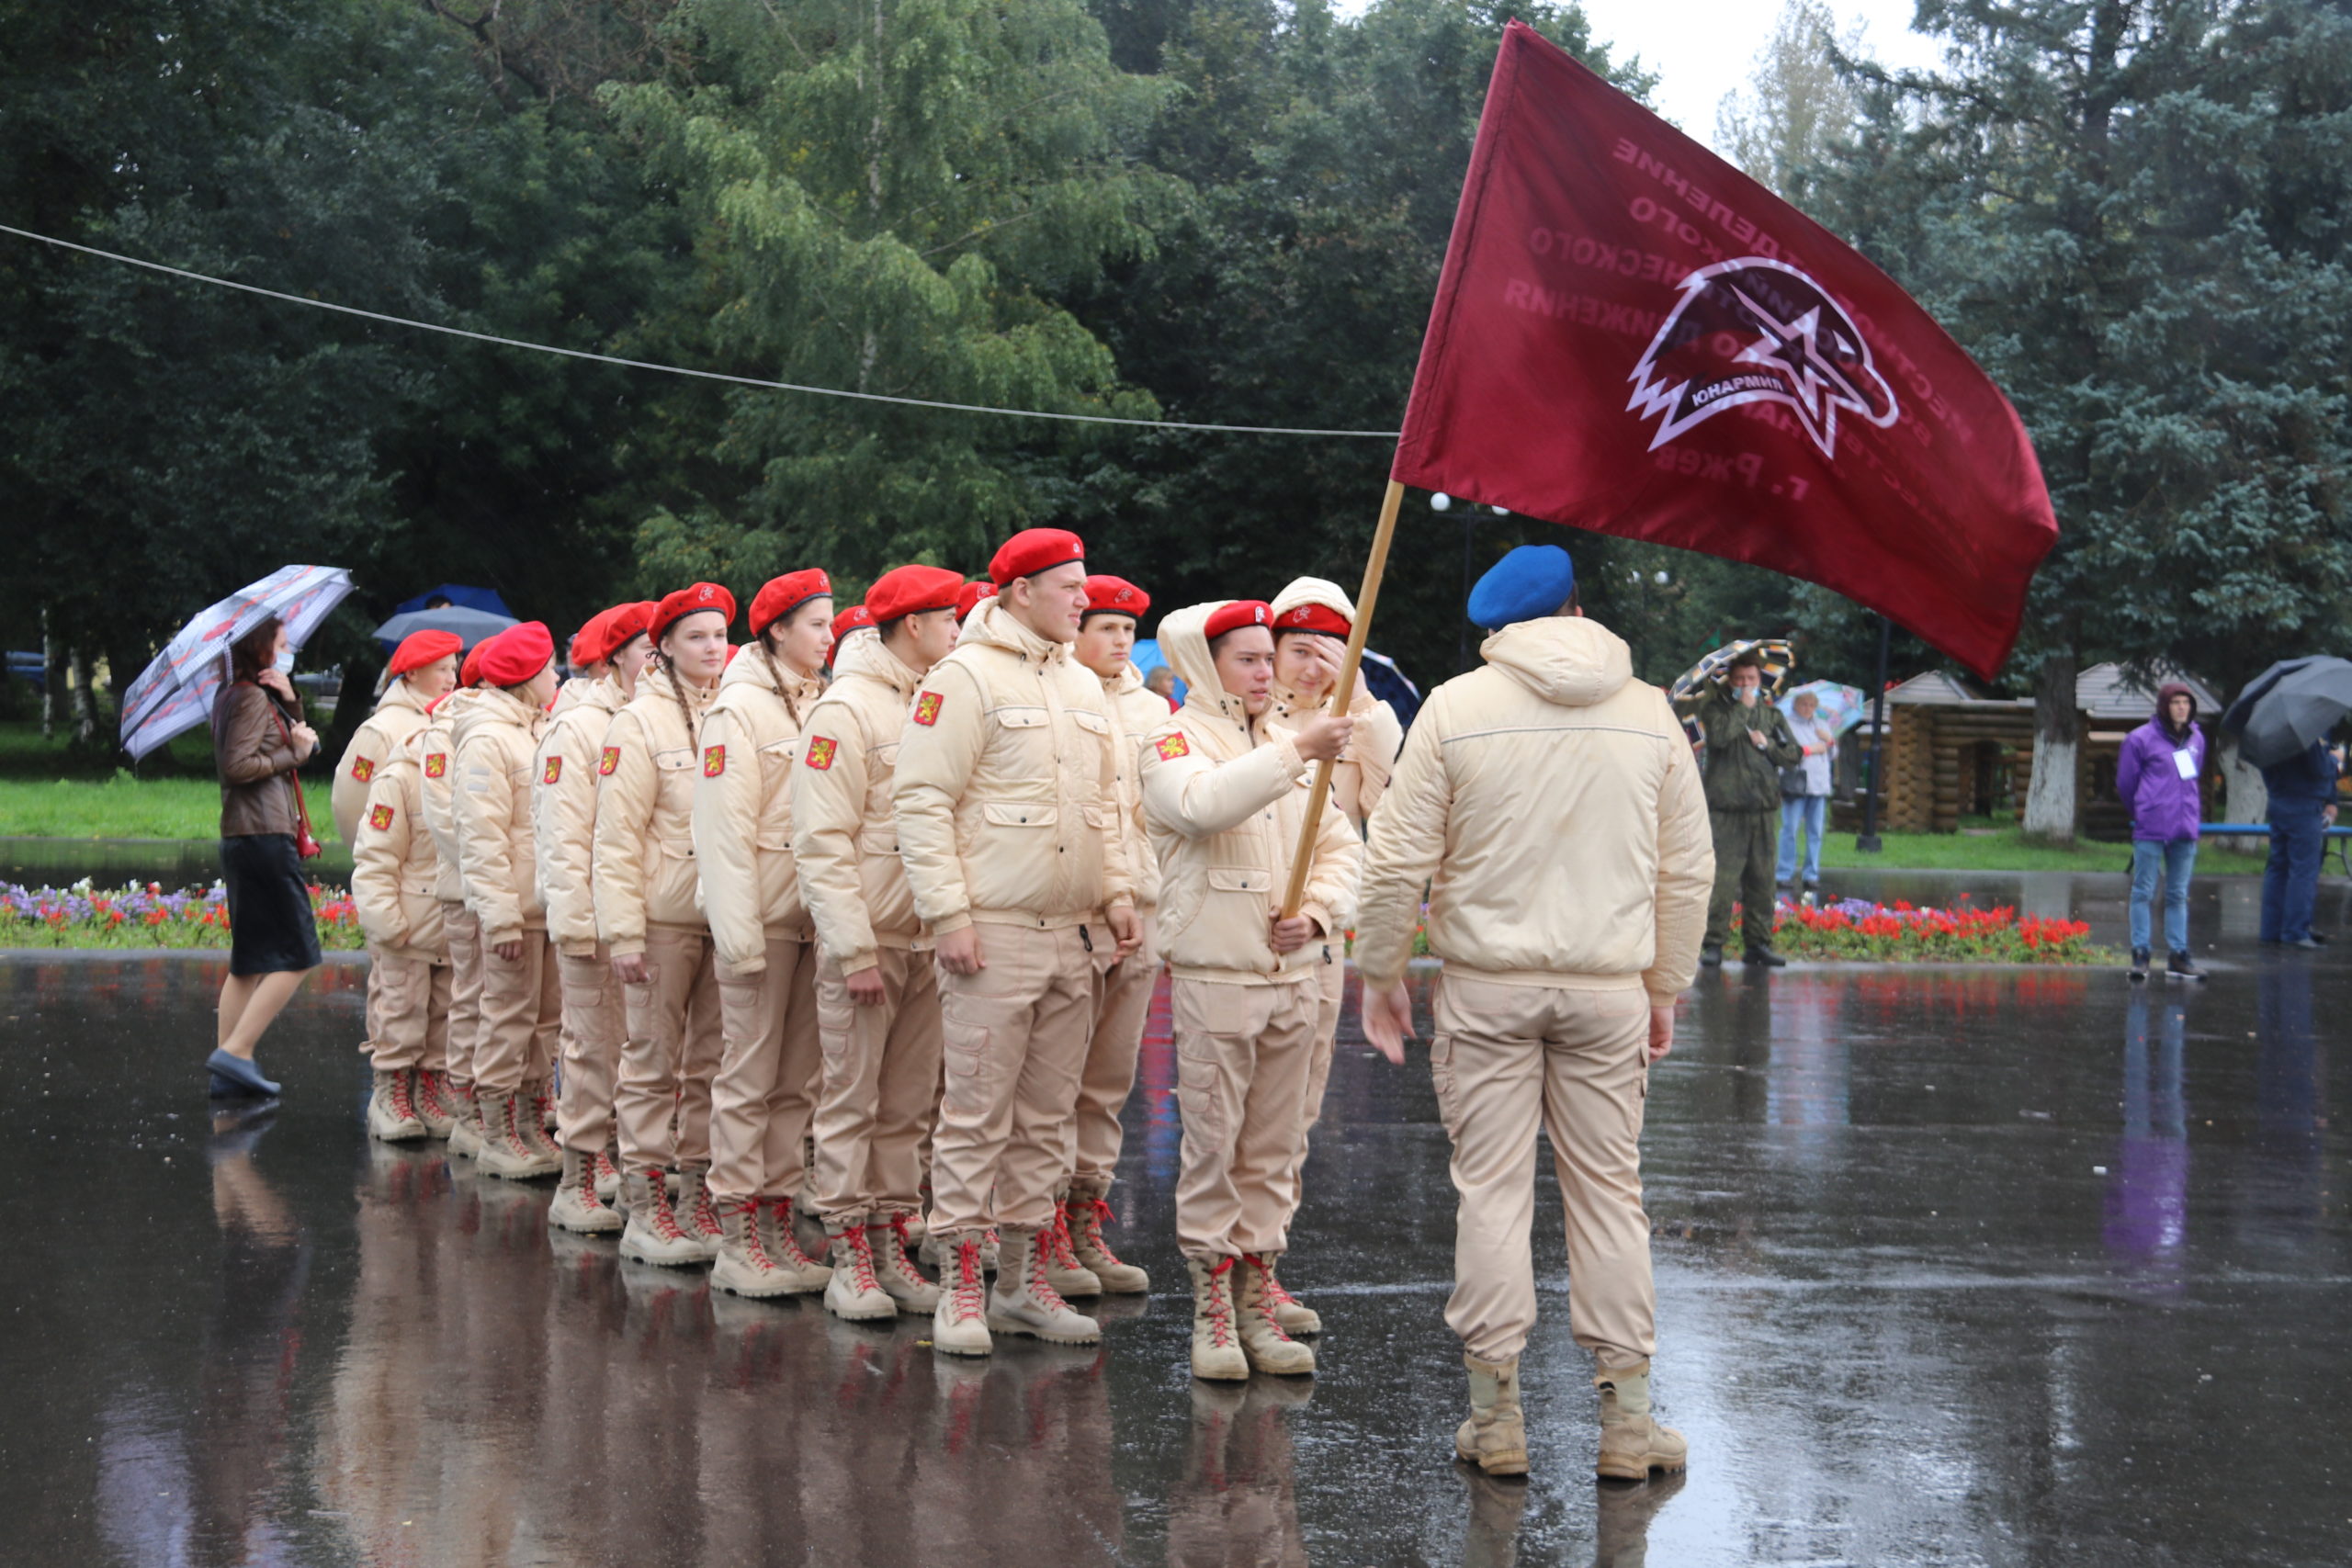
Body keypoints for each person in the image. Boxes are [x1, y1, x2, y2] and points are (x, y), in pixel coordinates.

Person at [1355, 543, 1709, 1481]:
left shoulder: (1454, 707)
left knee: (1492, 1193)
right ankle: (1628, 1423)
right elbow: (1687, 869)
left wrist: (1381, 970)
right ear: (1579, 609)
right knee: (1610, 1196)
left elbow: (1395, 858)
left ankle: (1496, 1417)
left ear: (1497, 630)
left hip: (1487, 986)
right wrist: (1663, 986)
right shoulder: (1650, 713)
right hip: (1606, 988)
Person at [893, 527, 1140, 1357]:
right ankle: (962, 1283)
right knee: (974, 1115)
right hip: (994, 932)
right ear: (1020, 591)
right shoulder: (963, 676)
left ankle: (1022, 1283)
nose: (1084, 598)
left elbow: (1106, 805)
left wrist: (1118, 893)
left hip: (1074, 934)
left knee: (1047, 1119)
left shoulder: (1082, 682)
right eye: (1070, 585)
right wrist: (948, 915)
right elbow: (922, 799)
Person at [1139, 598, 1362, 1382]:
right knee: (1213, 1149)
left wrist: (1319, 913)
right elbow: (1200, 806)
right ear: (1207, 666)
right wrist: (1297, 750)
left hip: (1293, 977)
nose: (1267, 672)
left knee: (1272, 1149)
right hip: (1217, 976)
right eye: (1248, 658)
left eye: (1271, 657)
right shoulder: (1171, 737)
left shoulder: (1283, 740)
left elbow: (1342, 847)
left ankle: (1256, 1294)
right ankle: (1211, 1305)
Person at [793, 565, 963, 1322]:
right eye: (948, 618)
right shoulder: (845, 709)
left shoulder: (938, 701)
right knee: (850, 1099)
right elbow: (821, 841)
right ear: (912, 625)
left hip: (928, 940)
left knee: (908, 1106)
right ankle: (848, 1252)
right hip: (871, 940)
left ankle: (891, 1241)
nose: (958, 630)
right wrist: (853, 948)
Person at [1260, 575, 1405, 1334]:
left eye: (1329, 651)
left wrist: (1365, 708)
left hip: (1318, 937)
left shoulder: (1361, 725)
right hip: (1242, 931)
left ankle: (1264, 1260)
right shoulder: (1247, 715)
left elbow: (1387, 810)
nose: (1311, 665)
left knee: (1296, 1108)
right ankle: (1218, 1266)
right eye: (1297, 648)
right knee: (1231, 1110)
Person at [695, 570, 839, 1299]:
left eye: (832, 622)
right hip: (763, 923)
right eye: (817, 623)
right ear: (778, 630)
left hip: (815, 920)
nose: (830, 635)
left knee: (796, 1083)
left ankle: (777, 1221)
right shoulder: (739, 708)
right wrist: (739, 937)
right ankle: (736, 1233)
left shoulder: (822, 701)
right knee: (748, 1078)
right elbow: (722, 834)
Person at [596, 583, 736, 1264]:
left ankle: (696, 1196)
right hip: (663, 921)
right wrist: (624, 933)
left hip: (724, 918)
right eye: (697, 637)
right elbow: (616, 838)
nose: (713, 648)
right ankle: (647, 1203)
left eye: (720, 635)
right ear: (666, 647)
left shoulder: (732, 712)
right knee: (652, 1063)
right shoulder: (638, 723)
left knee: (711, 1066)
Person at [1059, 573, 1164, 1295]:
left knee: (1107, 1081)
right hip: (1076, 906)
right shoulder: (1059, 696)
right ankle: (1037, 1226)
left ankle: (1083, 1218)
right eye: (1107, 627)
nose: (1122, 640)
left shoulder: (1155, 709)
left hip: (1142, 908)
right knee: (1051, 1083)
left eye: (1129, 630)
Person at [536, 601, 656, 1233]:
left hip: (643, 916)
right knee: (591, 1049)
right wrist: (579, 924)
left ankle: (622, 1165)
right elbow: (562, 837)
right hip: (594, 920)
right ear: (615, 660)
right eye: (648, 652)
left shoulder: (655, 716)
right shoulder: (579, 727)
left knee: (641, 1053)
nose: (658, 662)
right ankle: (576, 1178)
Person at [453, 622, 565, 1180]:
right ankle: (495, 1133)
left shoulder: (536, 729)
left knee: (544, 1021)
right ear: (525, 678)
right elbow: (482, 837)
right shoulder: (488, 739)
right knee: (506, 1018)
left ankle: (528, 1123)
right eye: (548, 668)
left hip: (544, 907)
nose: (557, 677)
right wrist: (499, 919)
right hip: (514, 913)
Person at [206, 616, 322, 1097]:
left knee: (249, 961)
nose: (287, 650)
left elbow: (285, 735)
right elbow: (237, 766)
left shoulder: (233, 694)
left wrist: (291, 700)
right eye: (281, 643)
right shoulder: (250, 697)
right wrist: (294, 756)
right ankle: (236, 1053)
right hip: (264, 838)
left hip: (244, 836)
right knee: (300, 953)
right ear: (260, 647)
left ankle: (226, 1074)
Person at [350, 725, 453, 1141]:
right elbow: (375, 855)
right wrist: (387, 924)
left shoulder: (466, 768)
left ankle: (429, 1089)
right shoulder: (399, 779)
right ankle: (389, 1094)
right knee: (400, 1011)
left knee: (443, 1016)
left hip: (449, 927)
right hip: (407, 928)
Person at [1684, 650, 1800, 967]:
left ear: (1759, 680)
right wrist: (1742, 708)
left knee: (1762, 880)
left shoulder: (1772, 715)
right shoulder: (1716, 710)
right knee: (1722, 880)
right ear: (1730, 681)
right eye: (1740, 680)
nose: (1747, 685)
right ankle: (1713, 944)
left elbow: (1792, 755)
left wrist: (1767, 745)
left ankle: (1758, 943)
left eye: (1751, 679)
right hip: (1727, 809)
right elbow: (1719, 738)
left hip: (1762, 808)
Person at [416, 650, 487, 1151]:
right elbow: (445, 817)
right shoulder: (445, 733)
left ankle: (503, 1105)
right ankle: (466, 1103)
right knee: (473, 997)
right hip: (468, 888)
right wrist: (488, 873)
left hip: (510, 886)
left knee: (513, 1009)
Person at [2117, 682, 2207, 981]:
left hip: (2184, 826)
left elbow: (2192, 777)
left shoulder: (2196, 738)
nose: (2182, 707)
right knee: (2143, 890)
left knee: (2178, 894)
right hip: (2152, 826)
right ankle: (2140, 954)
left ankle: (2178, 955)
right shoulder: (2139, 739)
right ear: (2164, 706)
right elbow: (2126, 783)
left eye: (2186, 702)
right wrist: (2143, 811)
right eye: (2176, 702)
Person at [2259, 738, 2339, 949]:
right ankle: (2295, 931)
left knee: (2277, 867)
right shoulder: (2306, 735)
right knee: (2303, 870)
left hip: (2278, 801)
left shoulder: (2269, 734)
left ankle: (2271, 929)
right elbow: (2320, 770)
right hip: (2304, 806)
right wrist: (2333, 760)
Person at [1776, 690, 1838, 893]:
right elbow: (1784, 752)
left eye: (1811, 705)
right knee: (1790, 829)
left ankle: (1811, 874)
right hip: (1796, 784)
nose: (1807, 708)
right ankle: (1783, 873)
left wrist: (1829, 741)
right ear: (1795, 705)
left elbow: (1833, 754)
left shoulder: (1821, 724)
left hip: (1819, 785)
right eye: (1804, 704)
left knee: (1815, 832)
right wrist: (1811, 749)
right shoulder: (1787, 724)